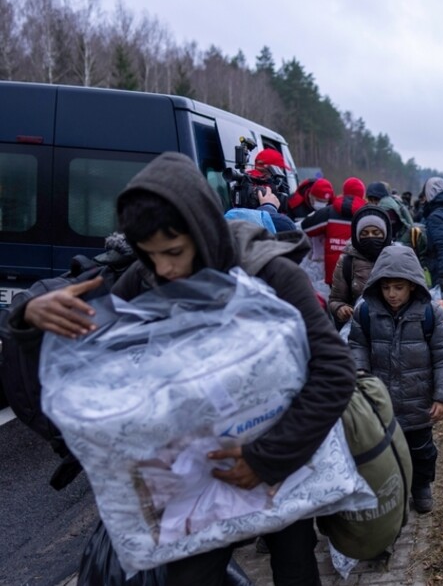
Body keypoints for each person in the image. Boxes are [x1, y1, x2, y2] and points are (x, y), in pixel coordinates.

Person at [10, 152, 354, 585]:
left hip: (277, 460)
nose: (165, 268)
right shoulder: (147, 279)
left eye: (174, 251)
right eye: (150, 255)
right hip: (198, 474)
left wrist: (266, 459)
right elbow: (85, 337)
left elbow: (335, 372)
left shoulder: (268, 276)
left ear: (202, 231)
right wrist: (29, 315)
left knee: (294, 564)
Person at [348, 246, 443, 515]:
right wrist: (361, 379)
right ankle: (390, 493)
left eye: (398, 287)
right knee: (384, 453)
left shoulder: (430, 314)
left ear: (412, 285)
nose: (392, 294)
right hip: (380, 401)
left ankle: (421, 487)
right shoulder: (366, 313)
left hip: (418, 400)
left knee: (421, 450)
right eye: (386, 287)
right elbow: (357, 347)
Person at [328, 205, 393, 330]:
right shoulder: (347, 262)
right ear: (357, 236)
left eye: (376, 233)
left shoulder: (397, 258)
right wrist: (340, 309)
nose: (370, 237)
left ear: (385, 234)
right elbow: (335, 299)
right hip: (360, 330)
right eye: (364, 233)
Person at [301, 177, 367, 285]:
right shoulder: (367, 215)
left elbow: (307, 227)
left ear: (343, 192)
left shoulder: (329, 212)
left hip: (333, 275)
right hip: (358, 275)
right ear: (362, 194)